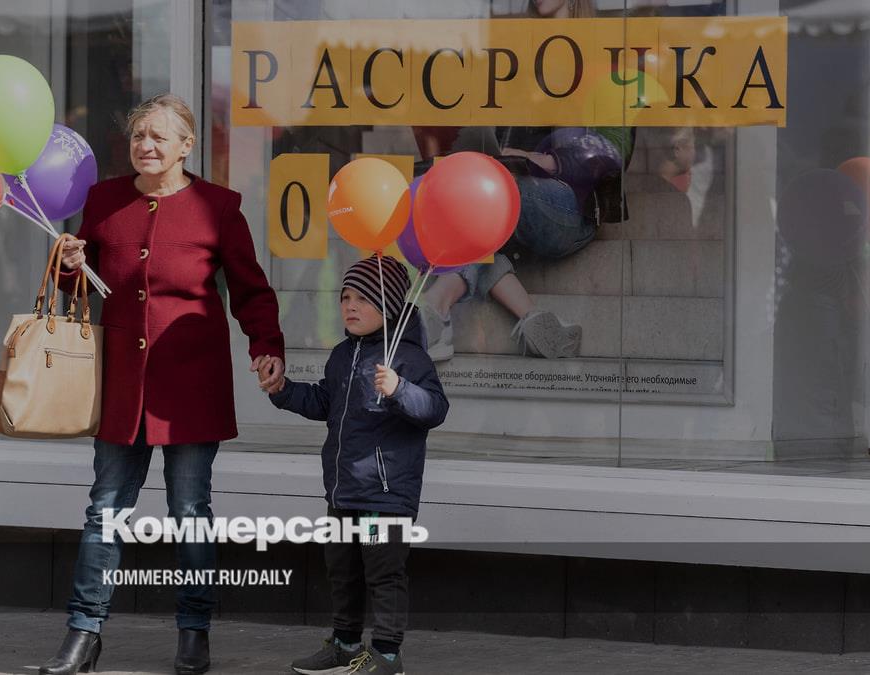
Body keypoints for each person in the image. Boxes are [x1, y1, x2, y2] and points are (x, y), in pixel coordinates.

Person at [43, 93, 286, 675]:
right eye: (138, 136)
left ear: (186, 146)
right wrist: (68, 265)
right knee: (105, 508)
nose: (145, 146)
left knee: (190, 509)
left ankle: (194, 633)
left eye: (158, 136)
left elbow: (251, 289)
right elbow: (81, 289)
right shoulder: (104, 200)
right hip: (122, 388)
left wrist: (266, 345)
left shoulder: (218, 207)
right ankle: (83, 633)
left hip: (191, 387)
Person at [261, 255, 449, 675]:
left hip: (385, 497)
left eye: (363, 298)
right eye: (345, 297)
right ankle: (345, 646)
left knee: (384, 574)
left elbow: (435, 409)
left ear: (389, 307)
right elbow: (324, 402)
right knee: (342, 570)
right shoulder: (342, 354)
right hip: (343, 491)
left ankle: (386, 655)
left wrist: (400, 389)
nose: (350, 306)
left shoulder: (410, 358)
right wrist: (283, 390)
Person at [416, 0, 633, 361]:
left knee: (481, 201)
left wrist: (547, 159)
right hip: (510, 200)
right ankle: (531, 318)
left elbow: (614, 147)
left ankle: (437, 306)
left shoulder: (603, 57)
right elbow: (495, 136)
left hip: (571, 206)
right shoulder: (518, 58)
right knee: (472, 211)